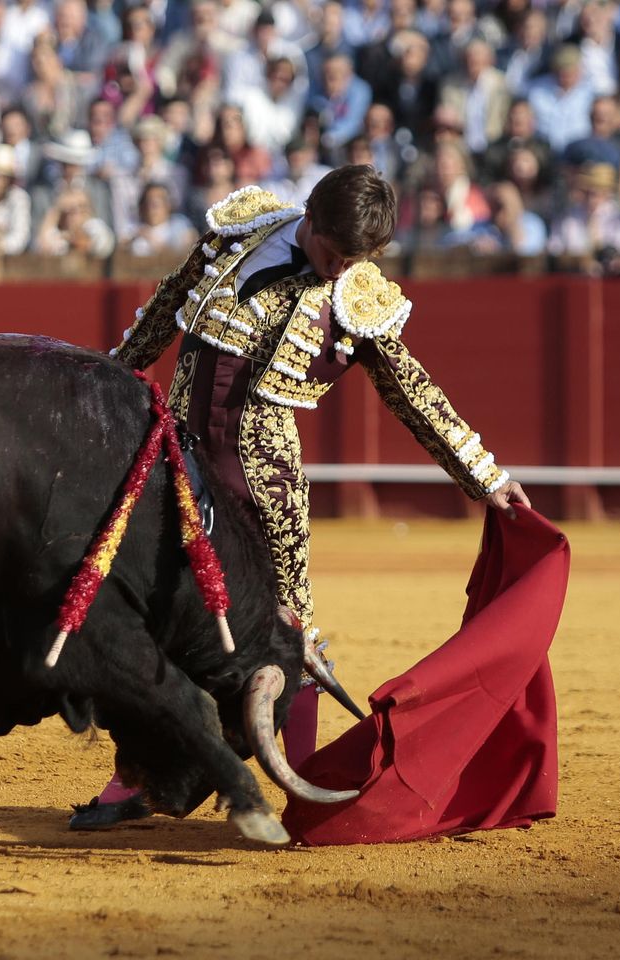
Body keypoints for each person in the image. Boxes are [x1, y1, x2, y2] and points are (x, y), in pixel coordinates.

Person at [70, 165, 529, 829]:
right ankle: (140, 776)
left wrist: (485, 476)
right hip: (178, 464)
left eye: (356, 258)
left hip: (265, 481)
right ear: (308, 218)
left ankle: (306, 791)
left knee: (292, 631)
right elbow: (167, 307)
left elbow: (415, 394)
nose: (341, 267)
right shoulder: (240, 232)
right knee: (162, 617)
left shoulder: (356, 294)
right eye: (333, 251)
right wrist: (109, 380)